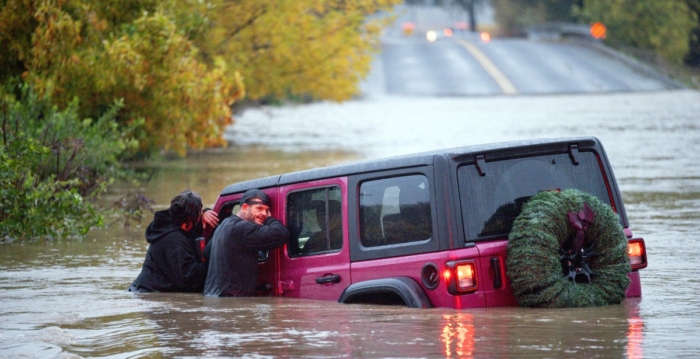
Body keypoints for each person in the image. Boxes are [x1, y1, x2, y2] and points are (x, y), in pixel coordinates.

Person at [128, 190, 219, 293]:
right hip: (148, 293)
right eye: (200, 212)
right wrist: (215, 262)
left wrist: (206, 213)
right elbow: (190, 279)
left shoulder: (177, 225)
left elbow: (196, 229)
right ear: (191, 218)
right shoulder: (173, 240)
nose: (201, 214)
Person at [204, 189, 289, 297]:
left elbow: (206, 253)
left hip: (213, 299)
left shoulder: (223, 226)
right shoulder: (242, 228)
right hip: (233, 303)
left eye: (267, 210)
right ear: (244, 207)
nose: (263, 213)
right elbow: (281, 234)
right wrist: (269, 219)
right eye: (259, 208)